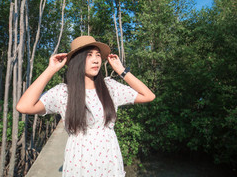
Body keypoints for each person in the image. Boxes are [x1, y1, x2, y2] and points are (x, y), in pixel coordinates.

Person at [16, 36, 155, 177]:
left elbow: (148, 96)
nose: (96, 60)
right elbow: (24, 106)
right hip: (80, 163)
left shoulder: (110, 87)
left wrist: (122, 71)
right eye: (89, 55)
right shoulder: (63, 92)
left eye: (98, 55)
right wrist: (50, 70)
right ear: (78, 60)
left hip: (110, 161)